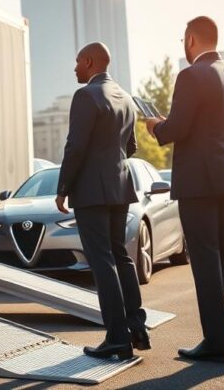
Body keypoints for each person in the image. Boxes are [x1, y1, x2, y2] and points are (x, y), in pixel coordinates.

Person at [146, 16, 224, 363]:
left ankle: (216, 343)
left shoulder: (190, 75)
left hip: (199, 180)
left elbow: (177, 129)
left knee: (205, 258)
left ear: (190, 40)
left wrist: (156, 126)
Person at [56, 43, 148, 360]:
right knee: (120, 256)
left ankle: (116, 338)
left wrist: (63, 186)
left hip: (91, 193)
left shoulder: (86, 96)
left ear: (90, 61)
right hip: (119, 187)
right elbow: (131, 146)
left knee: (102, 261)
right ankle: (137, 326)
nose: (75, 68)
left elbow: (75, 146)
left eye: (78, 62)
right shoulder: (125, 97)